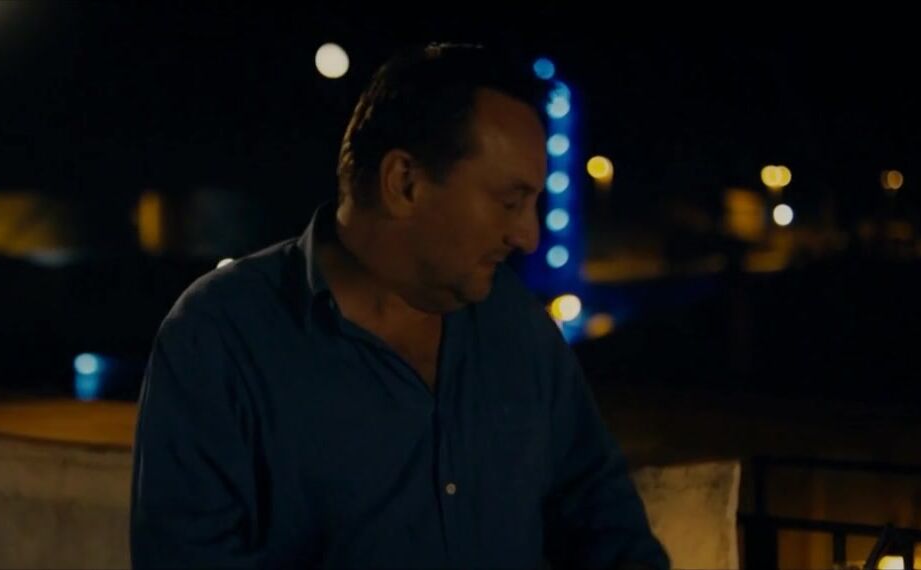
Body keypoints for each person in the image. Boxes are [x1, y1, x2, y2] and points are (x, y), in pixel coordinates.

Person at [131, 43, 669, 569]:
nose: (528, 236)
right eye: (510, 202)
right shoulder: (221, 338)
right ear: (404, 183)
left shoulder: (516, 325)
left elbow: (606, 524)